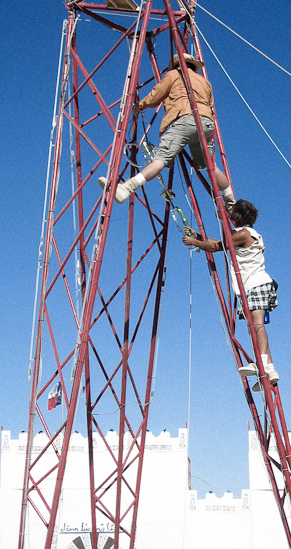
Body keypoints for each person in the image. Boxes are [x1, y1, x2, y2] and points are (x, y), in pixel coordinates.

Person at [99, 53, 235, 210]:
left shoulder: (174, 74)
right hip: (206, 122)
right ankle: (231, 202)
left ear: (177, 65)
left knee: (160, 160)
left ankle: (126, 188)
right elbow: (211, 105)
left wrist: (139, 106)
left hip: (184, 118)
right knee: (211, 165)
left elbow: (155, 96)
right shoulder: (205, 82)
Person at [182, 199, 279, 391]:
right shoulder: (246, 234)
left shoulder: (243, 234)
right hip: (254, 284)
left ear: (238, 216)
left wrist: (194, 242)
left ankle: (261, 364)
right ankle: (270, 368)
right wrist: (198, 236)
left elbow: (217, 248)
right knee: (257, 326)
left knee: (257, 324)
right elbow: (220, 243)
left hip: (255, 283)